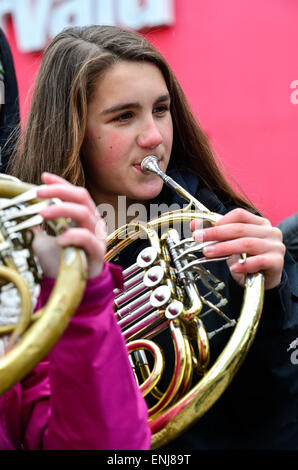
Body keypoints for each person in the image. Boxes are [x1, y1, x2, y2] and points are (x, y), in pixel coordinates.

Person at [7, 25, 298, 450]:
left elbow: (279, 416)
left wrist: (276, 299)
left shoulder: (222, 229)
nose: (154, 137)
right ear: (71, 130)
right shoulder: (24, 252)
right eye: (124, 116)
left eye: (161, 109)